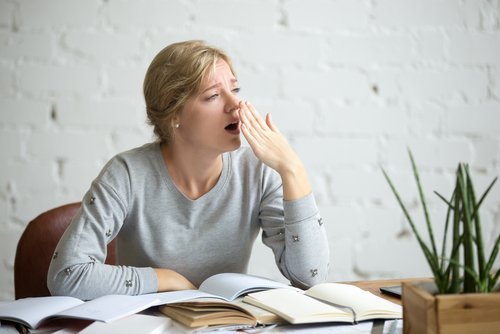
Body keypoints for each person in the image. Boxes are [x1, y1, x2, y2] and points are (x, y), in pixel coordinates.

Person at [47, 40, 330, 300]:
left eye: (235, 89)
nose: (236, 106)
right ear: (174, 116)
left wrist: (293, 170)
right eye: (213, 96)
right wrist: (164, 279)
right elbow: (66, 274)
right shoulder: (127, 174)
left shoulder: (257, 172)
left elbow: (309, 277)